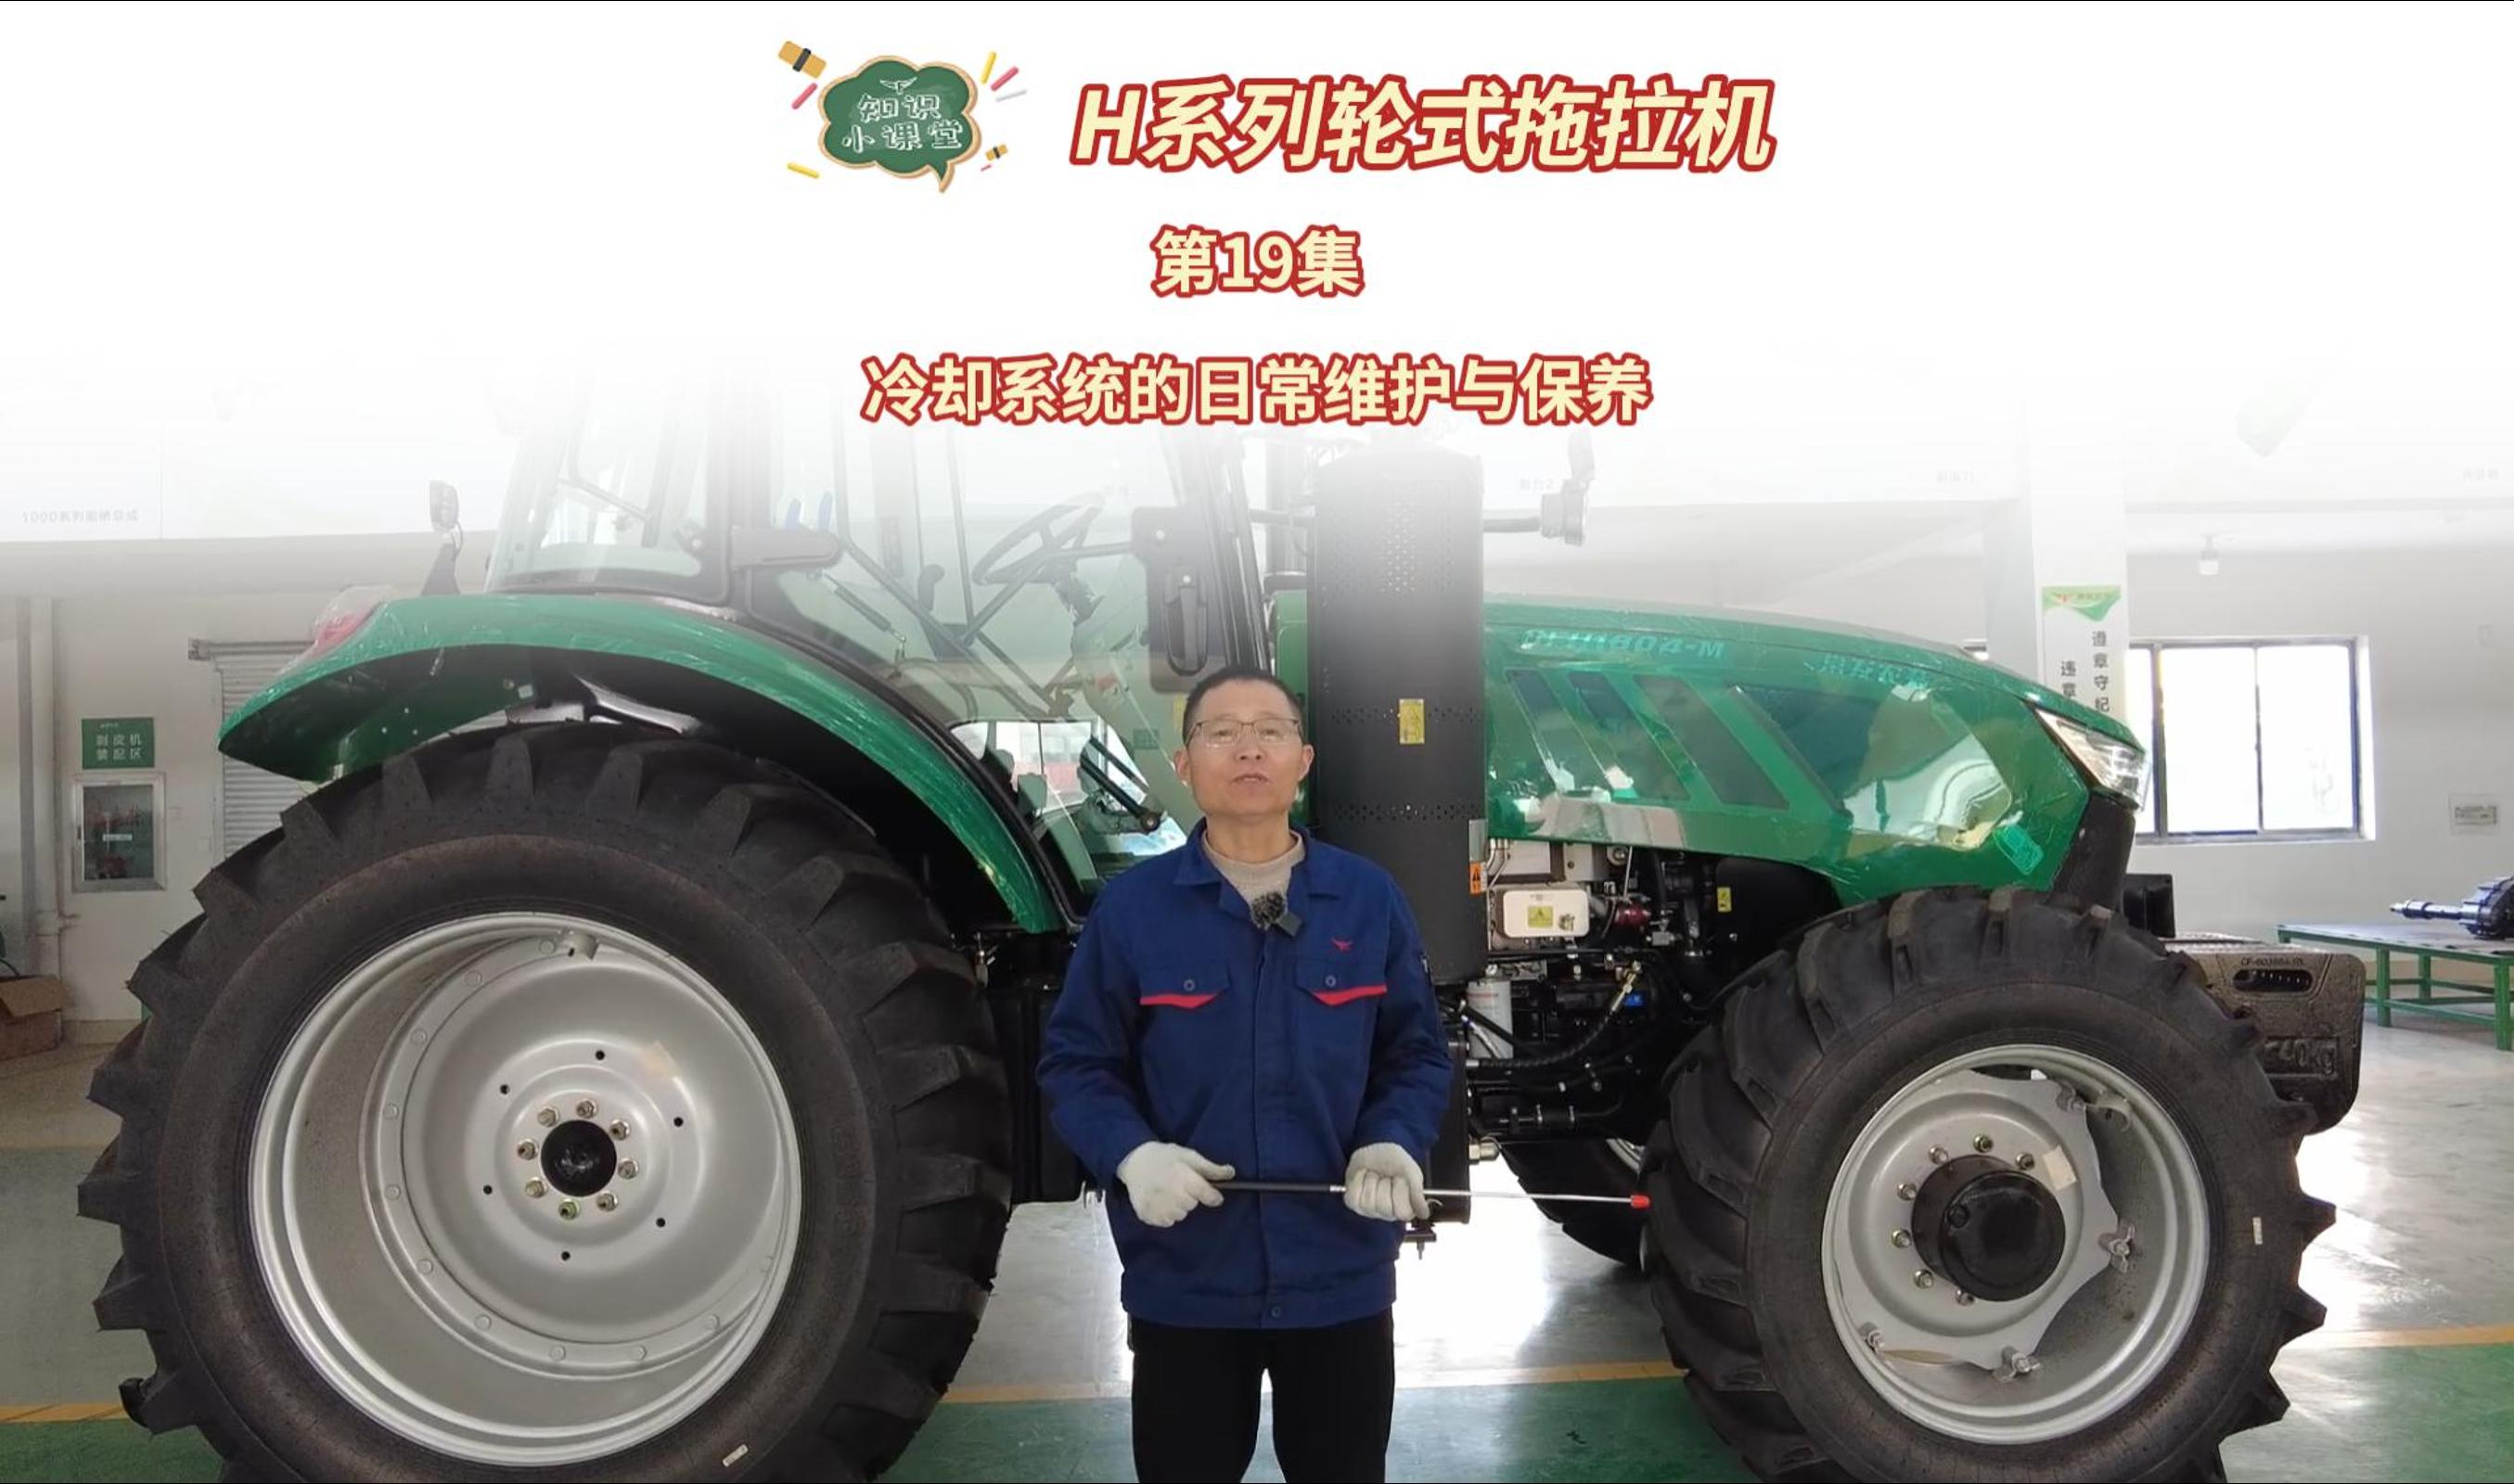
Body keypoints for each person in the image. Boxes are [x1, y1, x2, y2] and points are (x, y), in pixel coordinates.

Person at [1038, 666, 1454, 1484]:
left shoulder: (1367, 900)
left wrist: (1392, 1141)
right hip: (1187, 1279)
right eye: (1221, 732)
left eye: (1270, 730)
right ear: (1185, 764)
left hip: (1339, 1278)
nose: (1248, 749)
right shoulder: (1134, 911)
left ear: (1304, 759)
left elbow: (1415, 1053)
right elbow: (1077, 1063)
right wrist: (1132, 1156)